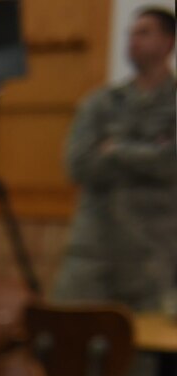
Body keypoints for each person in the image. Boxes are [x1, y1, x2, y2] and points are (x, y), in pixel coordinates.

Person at [53, 6, 176, 313]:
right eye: (130, 34)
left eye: (143, 33)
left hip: (151, 258)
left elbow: (171, 165)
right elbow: (77, 165)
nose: (132, 40)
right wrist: (150, 153)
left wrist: (117, 150)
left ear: (168, 42)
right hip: (92, 253)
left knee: (142, 356)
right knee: (70, 343)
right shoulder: (100, 103)